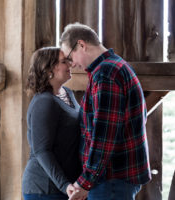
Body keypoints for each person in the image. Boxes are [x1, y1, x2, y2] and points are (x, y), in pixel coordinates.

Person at [60, 22, 152, 200]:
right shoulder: (114, 66)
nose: (71, 64)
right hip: (114, 178)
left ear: (81, 45)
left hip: (111, 179)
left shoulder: (106, 74)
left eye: (70, 57)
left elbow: (104, 135)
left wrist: (86, 181)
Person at [22, 47, 82, 200]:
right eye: (64, 62)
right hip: (45, 189)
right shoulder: (44, 102)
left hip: (66, 186)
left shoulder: (67, 93)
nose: (70, 65)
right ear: (49, 70)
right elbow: (41, 150)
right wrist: (65, 185)